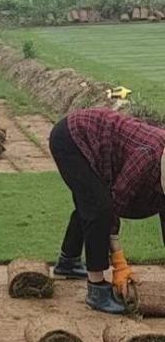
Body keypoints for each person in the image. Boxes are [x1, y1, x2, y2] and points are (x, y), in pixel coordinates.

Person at [49, 108, 165, 314]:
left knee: (90, 200)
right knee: (99, 209)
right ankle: (97, 290)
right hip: (72, 138)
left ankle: (67, 263)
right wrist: (120, 264)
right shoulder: (147, 157)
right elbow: (115, 204)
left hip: (99, 144)